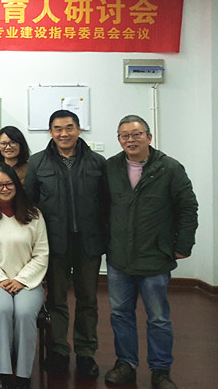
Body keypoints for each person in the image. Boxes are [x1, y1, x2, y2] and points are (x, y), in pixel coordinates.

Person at [103, 115, 198, 389]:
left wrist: (183, 246)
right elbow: (101, 207)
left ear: (148, 137)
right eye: (124, 136)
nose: (130, 140)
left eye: (136, 134)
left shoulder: (169, 168)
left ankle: (160, 370)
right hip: (119, 258)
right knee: (120, 315)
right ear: (119, 140)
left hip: (155, 258)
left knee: (158, 318)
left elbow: (188, 208)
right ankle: (126, 363)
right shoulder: (111, 167)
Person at [23, 110, 107, 378]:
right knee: (57, 299)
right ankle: (59, 350)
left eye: (69, 127)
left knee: (87, 300)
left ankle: (86, 353)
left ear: (79, 130)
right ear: (50, 132)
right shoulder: (37, 162)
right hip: (54, 243)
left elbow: (107, 204)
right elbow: (29, 204)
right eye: (57, 128)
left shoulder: (97, 162)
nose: (63, 133)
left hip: (89, 244)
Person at [0, 164, 49, 389]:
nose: (4, 188)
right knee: (3, 309)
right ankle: (3, 373)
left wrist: (21, 280)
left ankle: (23, 375)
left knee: (24, 312)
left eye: (8, 184)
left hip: (28, 281)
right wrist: (1, 279)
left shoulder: (34, 215)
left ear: (17, 185)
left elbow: (41, 253)